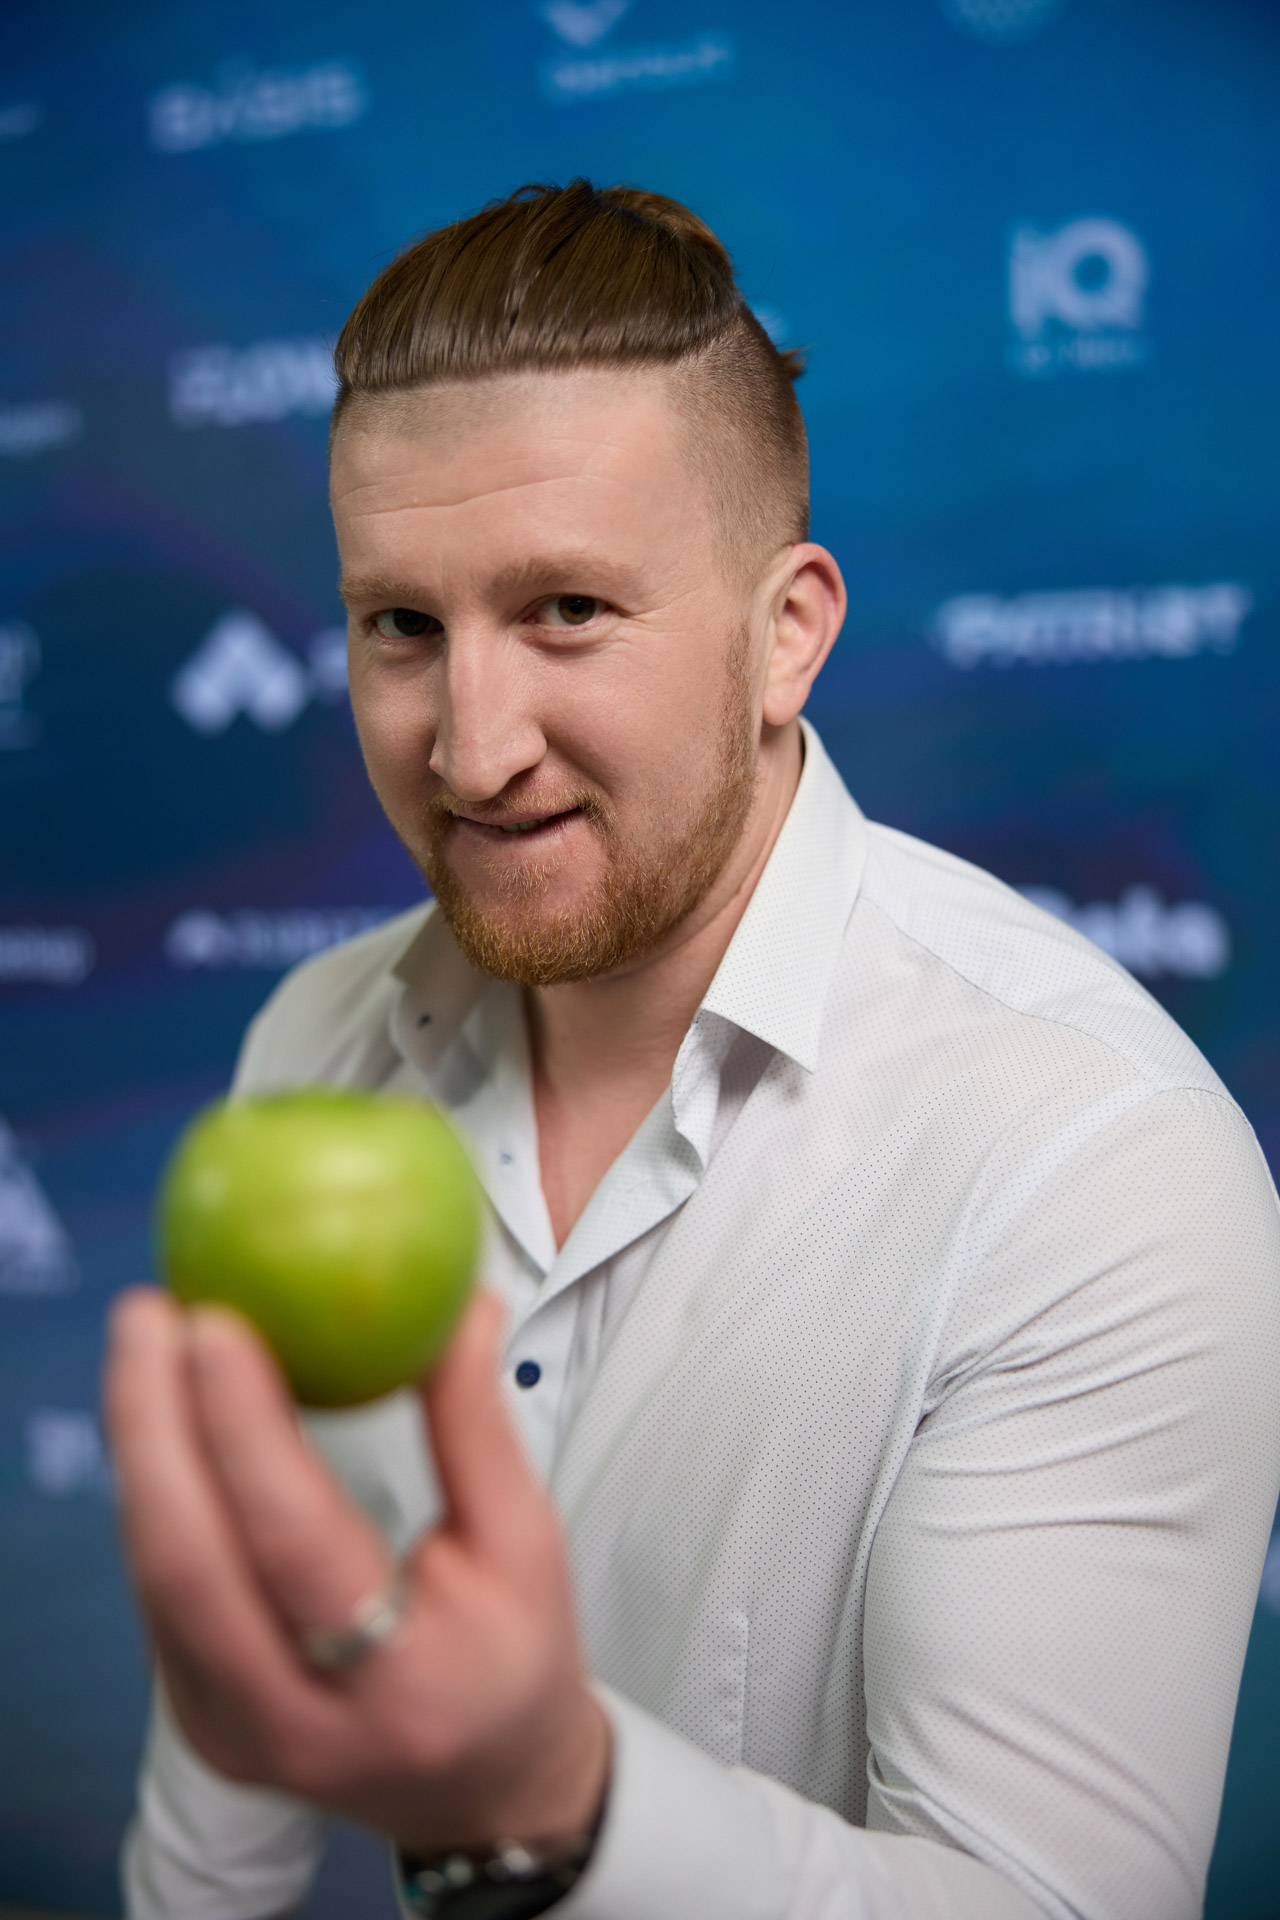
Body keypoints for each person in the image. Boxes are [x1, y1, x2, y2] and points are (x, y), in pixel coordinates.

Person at [106, 180, 1280, 1920]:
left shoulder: (1087, 1162)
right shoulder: (311, 1043)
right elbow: (236, 1728)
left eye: (569, 609)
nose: (473, 751)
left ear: (785, 633)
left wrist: (558, 1804)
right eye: (403, 626)